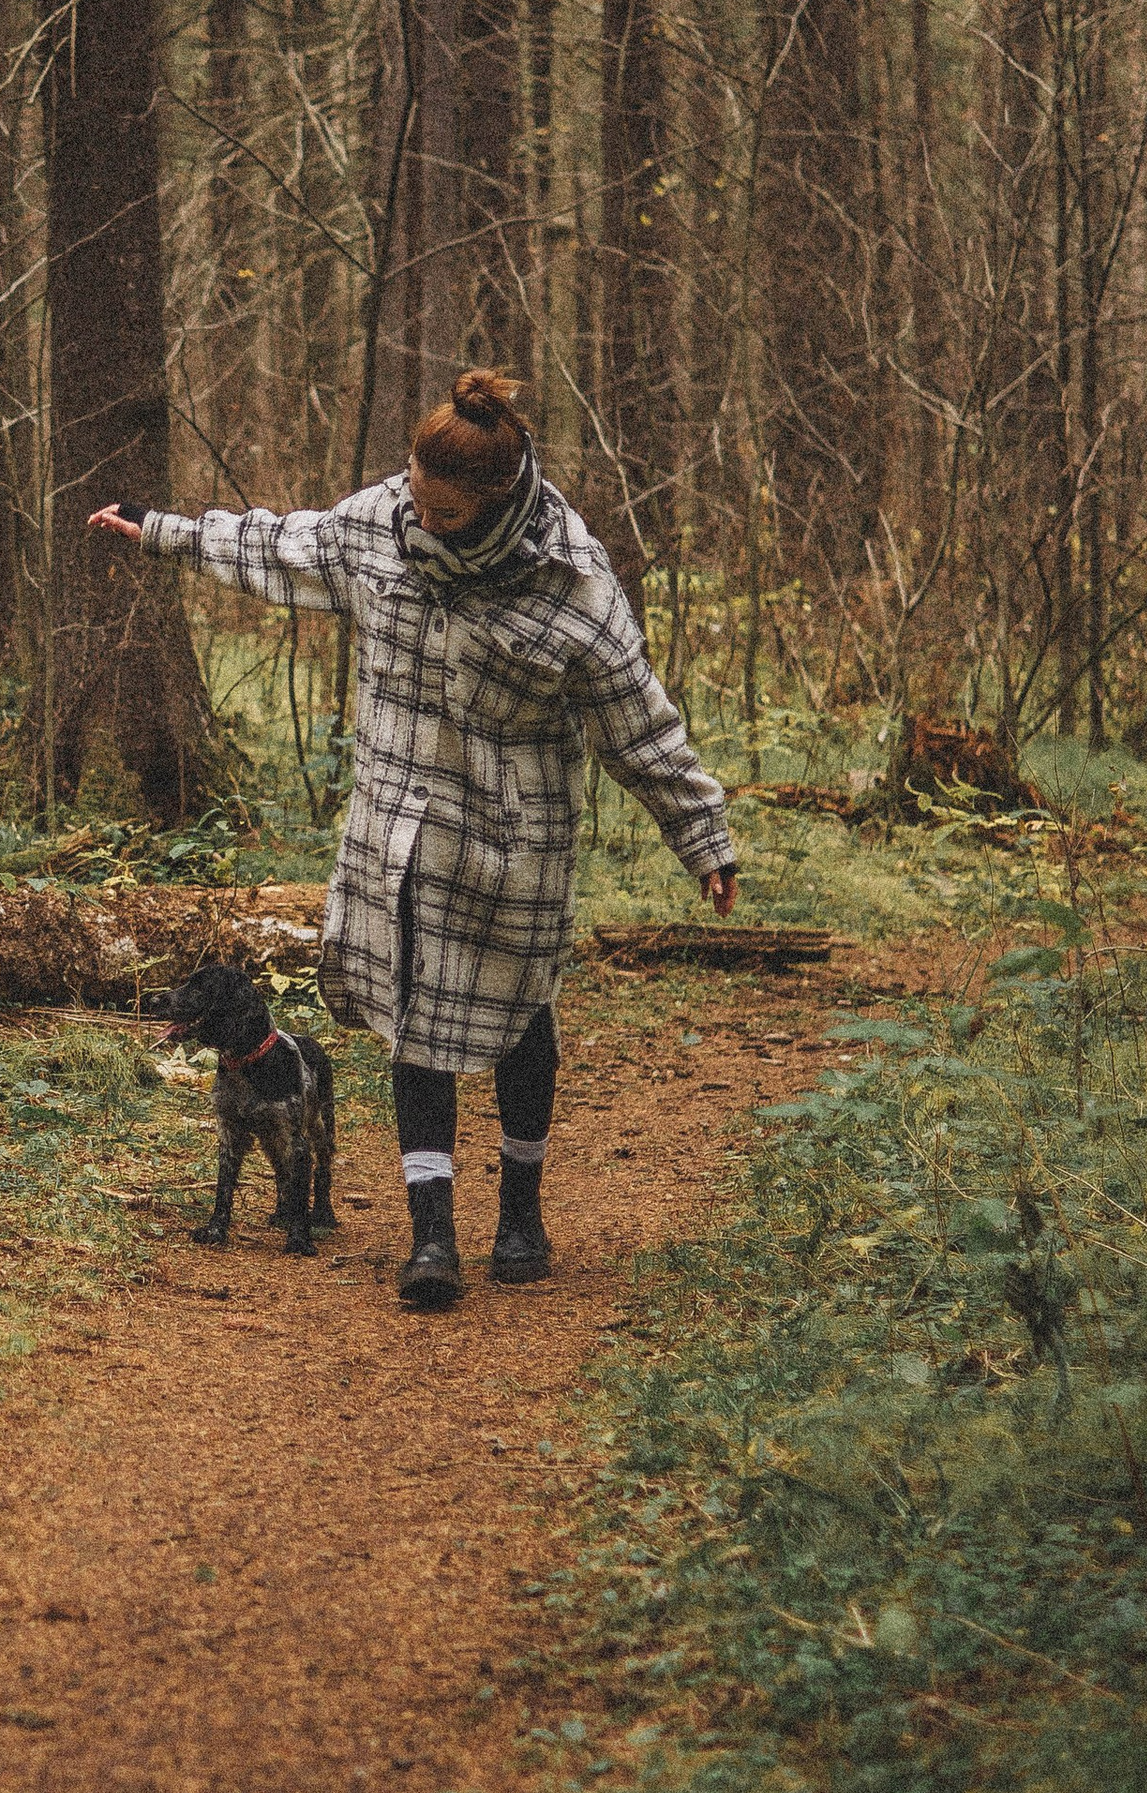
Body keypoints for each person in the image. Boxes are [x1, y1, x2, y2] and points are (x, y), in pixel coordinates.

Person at [90, 370, 736, 1308]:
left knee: (520, 1020)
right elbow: (280, 545)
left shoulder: (573, 586)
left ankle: (521, 1212)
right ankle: (431, 1235)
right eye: (412, 493)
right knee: (413, 1013)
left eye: (439, 508)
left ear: (496, 499)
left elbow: (638, 725)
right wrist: (161, 528)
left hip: (513, 838)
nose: (416, 516)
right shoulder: (380, 522)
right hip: (397, 827)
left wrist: (702, 837)